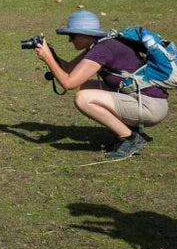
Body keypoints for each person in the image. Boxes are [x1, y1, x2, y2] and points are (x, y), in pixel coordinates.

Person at [34, 9, 168, 159]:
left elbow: (68, 83)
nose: (70, 41)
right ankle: (131, 128)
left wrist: (48, 59)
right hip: (145, 101)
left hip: (149, 107)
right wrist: (51, 54)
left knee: (83, 98)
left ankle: (130, 138)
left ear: (84, 34)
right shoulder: (101, 45)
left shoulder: (103, 49)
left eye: (72, 36)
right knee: (87, 86)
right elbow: (69, 70)